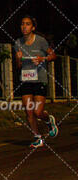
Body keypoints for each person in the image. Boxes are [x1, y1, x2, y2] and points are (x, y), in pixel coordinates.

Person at [14, 15, 58, 148]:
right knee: (29, 111)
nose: (24, 26)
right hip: (26, 79)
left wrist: (42, 59)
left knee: (38, 112)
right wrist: (18, 58)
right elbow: (18, 66)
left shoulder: (41, 41)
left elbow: (53, 55)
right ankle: (37, 137)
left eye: (27, 24)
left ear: (33, 27)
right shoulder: (18, 43)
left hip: (40, 79)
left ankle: (48, 120)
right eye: (22, 24)